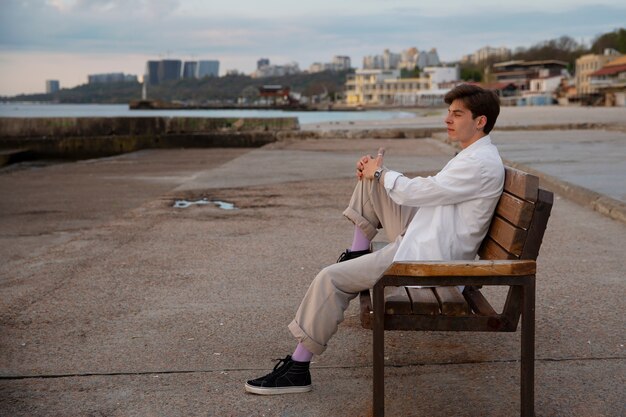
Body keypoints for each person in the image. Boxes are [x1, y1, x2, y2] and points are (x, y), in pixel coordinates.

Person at [244, 84, 505, 395]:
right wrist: (376, 176)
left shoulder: (478, 163)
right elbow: (429, 191)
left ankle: (298, 370)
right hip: (424, 240)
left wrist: (381, 173)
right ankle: (358, 254)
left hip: (428, 265)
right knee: (372, 184)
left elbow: (420, 191)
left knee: (330, 278)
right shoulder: (475, 155)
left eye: (457, 114)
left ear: (480, 121)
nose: (447, 119)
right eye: (448, 112)